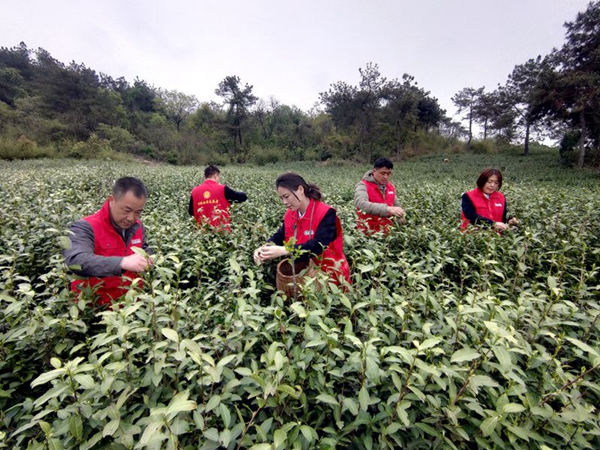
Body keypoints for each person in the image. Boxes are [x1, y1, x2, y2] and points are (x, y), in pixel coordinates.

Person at [65, 177, 152, 307]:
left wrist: (148, 257)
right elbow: (76, 260)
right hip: (94, 311)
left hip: (130, 309)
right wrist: (122, 262)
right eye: (127, 210)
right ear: (111, 200)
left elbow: (143, 248)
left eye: (138, 212)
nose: (131, 218)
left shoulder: (137, 226)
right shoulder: (85, 227)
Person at [253, 173, 351, 285]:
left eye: (286, 196)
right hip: (303, 276)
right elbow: (281, 235)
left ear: (300, 189)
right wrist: (265, 248)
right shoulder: (290, 214)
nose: (284, 202)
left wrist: (285, 250)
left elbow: (319, 244)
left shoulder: (326, 213)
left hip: (329, 276)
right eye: (281, 198)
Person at [355, 157, 405, 234]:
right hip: (368, 234)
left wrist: (400, 217)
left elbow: (396, 205)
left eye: (388, 174)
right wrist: (388, 209)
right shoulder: (363, 185)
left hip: (387, 234)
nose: (386, 177)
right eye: (383, 173)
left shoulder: (390, 187)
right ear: (374, 171)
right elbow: (361, 204)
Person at [189, 165, 247, 231]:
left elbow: (191, 212)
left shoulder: (194, 191)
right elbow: (241, 197)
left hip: (201, 233)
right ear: (216, 176)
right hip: (221, 232)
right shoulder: (223, 189)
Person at [461, 168, 519, 233]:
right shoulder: (468, 196)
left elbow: (503, 218)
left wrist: (510, 220)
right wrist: (493, 224)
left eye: (496, 183)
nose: (492, 185)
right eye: (489, 182)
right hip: (473, 237)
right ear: (482, 181)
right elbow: (471, 217)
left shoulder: (501, 197)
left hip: (495, 237)